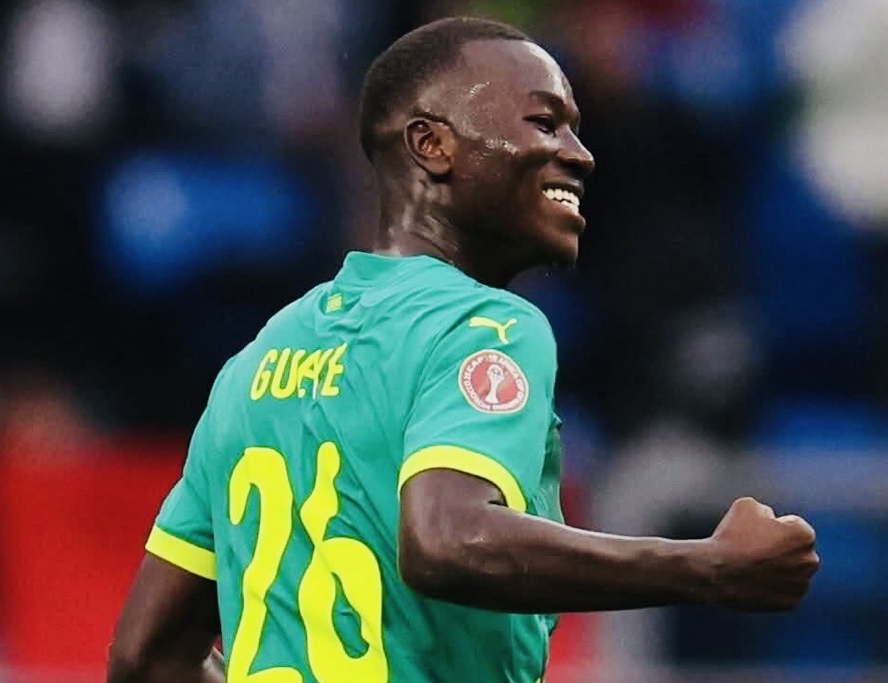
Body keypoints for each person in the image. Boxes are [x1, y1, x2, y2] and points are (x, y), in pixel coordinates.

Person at [107, 16, 820, 683]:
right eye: (545, 122)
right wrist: (707, 564)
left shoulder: (256, 363)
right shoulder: (483, 326)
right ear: (432, 144)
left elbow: (146, 657)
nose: (580, 154)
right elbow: (447, 538)